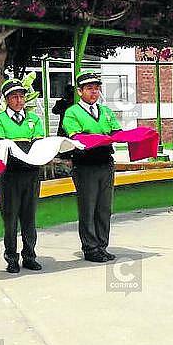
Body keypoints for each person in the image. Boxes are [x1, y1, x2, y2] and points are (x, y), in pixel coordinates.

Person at [62, 71, 122, 258]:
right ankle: (90, 248)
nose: (94, 92)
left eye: (97, 88)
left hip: (105, 163)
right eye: (89, 88)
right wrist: (103, 137)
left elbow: (117, 132)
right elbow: (76, 137)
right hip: (85, 164)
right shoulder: (72, 112)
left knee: (104, 207)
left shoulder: (106, 111)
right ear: (80, 91)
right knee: (88, 207)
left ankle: (102, 245)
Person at [0, 79, 45, 273]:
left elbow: (38, 143)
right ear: (7, 99)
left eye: (22, 96)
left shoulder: (34, 119)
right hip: (10, 175)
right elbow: (0, 143)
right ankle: (11, 257)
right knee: (10, 217)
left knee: (29, 217)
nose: (19, 100)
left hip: (30, 174)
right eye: (14, 96)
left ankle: (30, 255)